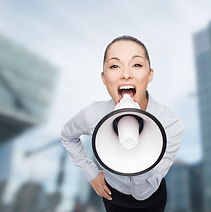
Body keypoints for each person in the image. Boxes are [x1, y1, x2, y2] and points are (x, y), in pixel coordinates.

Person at [61, 35, 183, 212]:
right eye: (114, 66)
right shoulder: (92, 114)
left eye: (137, 65)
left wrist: (140, 156)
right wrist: (92, 174)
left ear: (150, 75)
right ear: (104, 78)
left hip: (151, 198)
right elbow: (67, 137)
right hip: (112, 195)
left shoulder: (171, 124)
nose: (126, 74)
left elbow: (142, 193)